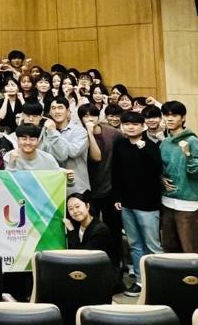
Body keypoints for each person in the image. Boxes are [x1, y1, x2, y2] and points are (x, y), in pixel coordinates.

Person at [112, 111, 163, 297]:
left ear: (143, 126)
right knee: (134, 244)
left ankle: (158, 281)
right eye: (126, 124)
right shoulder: (120, 145)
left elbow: (157, 170)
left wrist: (144, 149)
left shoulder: (151, 146)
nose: (130, 127)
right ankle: (140, 281)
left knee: (152, 245)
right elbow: (116, 172)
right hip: (127, 203)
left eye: (135, 124)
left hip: (148, 204)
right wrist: (117, 197)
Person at [78, 103, 124, 275]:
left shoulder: (113, 133)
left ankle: (116, 264)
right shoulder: (79, 135)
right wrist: (89, 133)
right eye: (85, 116)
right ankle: (93, 266)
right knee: (91, 229)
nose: (89, 119)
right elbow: (95, 157)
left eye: (93, 115)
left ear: (98, 116)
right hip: (88, 190)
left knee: (113, 229)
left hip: (110, 188)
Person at [159, 101, 198, 254]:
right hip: (167, 200)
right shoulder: (165, 142)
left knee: (191, 246)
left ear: (183, 118)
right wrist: (160, 178)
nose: (169, 119)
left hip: (187, 201)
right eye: (166, 115)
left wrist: (188, 154)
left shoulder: (192, 141)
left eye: (174, 115)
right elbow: (161, 167)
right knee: (169, 246)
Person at [64, 193, 122, 292]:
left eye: (77, 206)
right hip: (88, 271)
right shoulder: (77, 224)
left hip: (104, 277)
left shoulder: (100, 229)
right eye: (71, 209)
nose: (75, 211)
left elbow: (84, 256)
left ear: (87, 206)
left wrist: (71, 231)